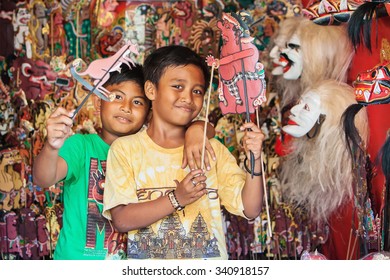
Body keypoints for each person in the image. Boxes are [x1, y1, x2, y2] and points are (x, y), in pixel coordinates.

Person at [32, 62, 216, 260]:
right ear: (98, 101)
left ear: (148, 114)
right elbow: (43, 178)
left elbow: (202, 127)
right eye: (117, 96)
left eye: (137, 102)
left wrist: (197, 129)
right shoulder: (81, 146)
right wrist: (51, 147)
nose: (126, 108)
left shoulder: (153, 150)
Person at [102, 45, 265, 260]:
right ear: (151, 90)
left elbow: (250, 209)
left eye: (197, 91)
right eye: (178, 86)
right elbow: (121, 219)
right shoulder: (126, 149)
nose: (188, 97)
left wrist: (255, 158)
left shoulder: (212, 149)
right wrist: (176, 199)